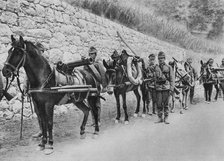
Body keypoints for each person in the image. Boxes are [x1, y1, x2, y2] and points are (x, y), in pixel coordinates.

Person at [154, 51, 174, 124]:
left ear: (164, 58)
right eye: (159, 58)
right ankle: (160, 118)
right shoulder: (156, 67)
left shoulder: (169, 67)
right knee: (159, 104)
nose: (160, 59)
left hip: (166, 88)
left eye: (162, 58)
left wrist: (171, 88)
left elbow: (172, 79)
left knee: (166, 104)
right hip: (158, 88)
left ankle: (166, 118)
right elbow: (154, 78)